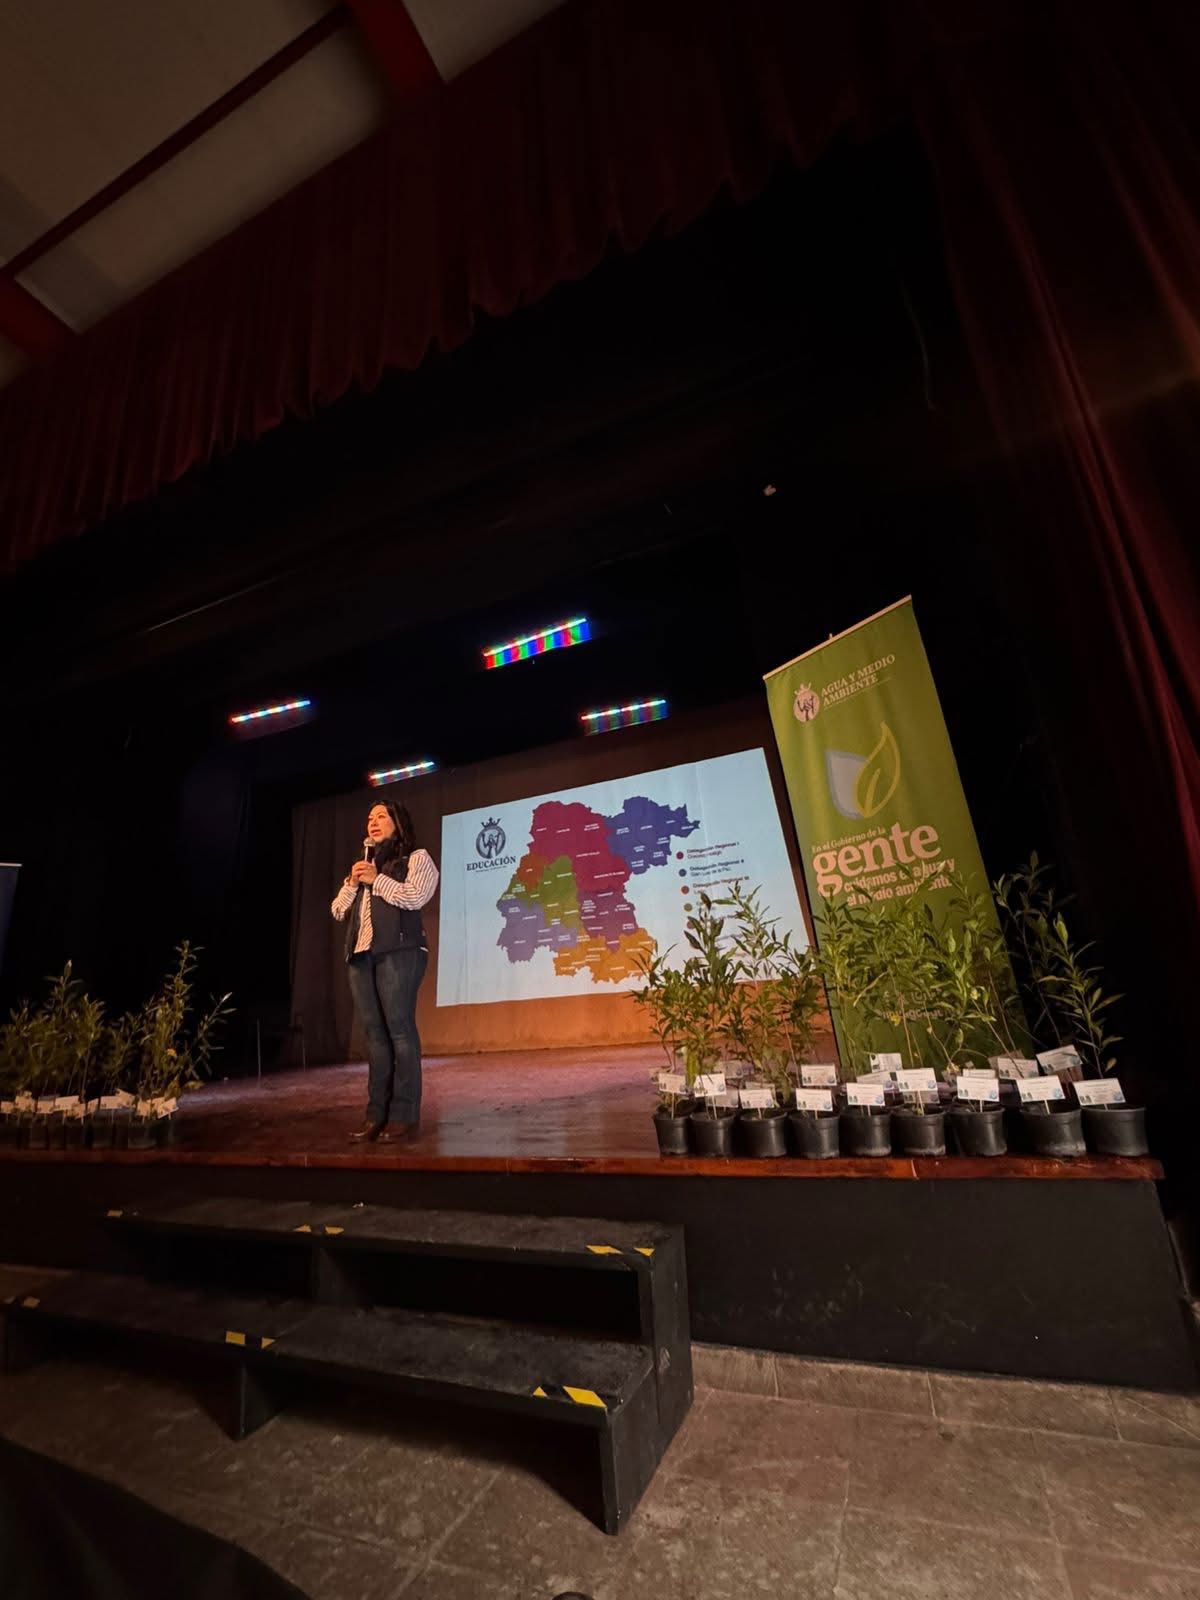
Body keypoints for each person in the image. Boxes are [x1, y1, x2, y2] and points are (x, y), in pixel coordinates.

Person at [330, 800, 439, 1142]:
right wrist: (352, 882)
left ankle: (404, 1116)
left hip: (401, 953)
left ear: (397, 823)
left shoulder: (417, 858)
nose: (373, 822)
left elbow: (415, 897)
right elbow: (337, 911)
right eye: (369, 818)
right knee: (375, 1038)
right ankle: (375, 1115)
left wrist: (377, 880)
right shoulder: (363, 868)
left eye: (381, 816)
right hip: (362, 956)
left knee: (400, 1032)